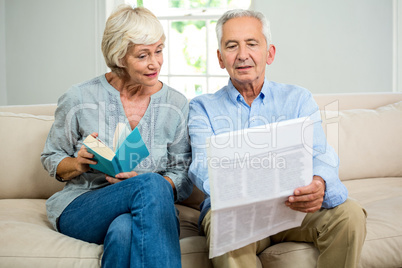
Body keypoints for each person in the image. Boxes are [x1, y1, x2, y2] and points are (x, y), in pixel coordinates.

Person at [188, 9, 367, 268]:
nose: (242, 55)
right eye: (231, 46)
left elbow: (320, 153)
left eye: (252, 44)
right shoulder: (202, 107)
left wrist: (319, 183)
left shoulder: (298, 99)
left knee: (349, 214)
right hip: (236, 213)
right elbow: (202, 166)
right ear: (220, 58)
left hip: (294, 209)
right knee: (222, 223)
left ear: (269, 53)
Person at [41, 5, 192, 268]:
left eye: (159, 51)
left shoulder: (176, 105)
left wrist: (145, 186)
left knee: (124, 229)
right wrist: (78, 164)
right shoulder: (79, 97)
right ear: (120, 56)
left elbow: (182, 175)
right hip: (84, 206)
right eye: (143, 55)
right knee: (151, 184)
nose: (154, 62)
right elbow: (51, 157)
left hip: (147, 212)